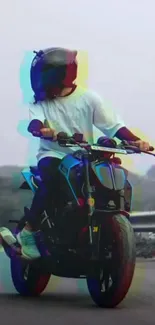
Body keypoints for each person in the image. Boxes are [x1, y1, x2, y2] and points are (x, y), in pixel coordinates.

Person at [0, 47, 152, 259]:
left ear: (58, 76)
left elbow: (114, 127)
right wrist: (42, 130)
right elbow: (34, 122)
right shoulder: (40, 102)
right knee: (51, 180)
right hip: (53, 155)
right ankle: (29, 232)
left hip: (83, 156)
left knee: (110, 177)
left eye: (43, 74)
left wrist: (137, 142)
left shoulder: (89, 99)